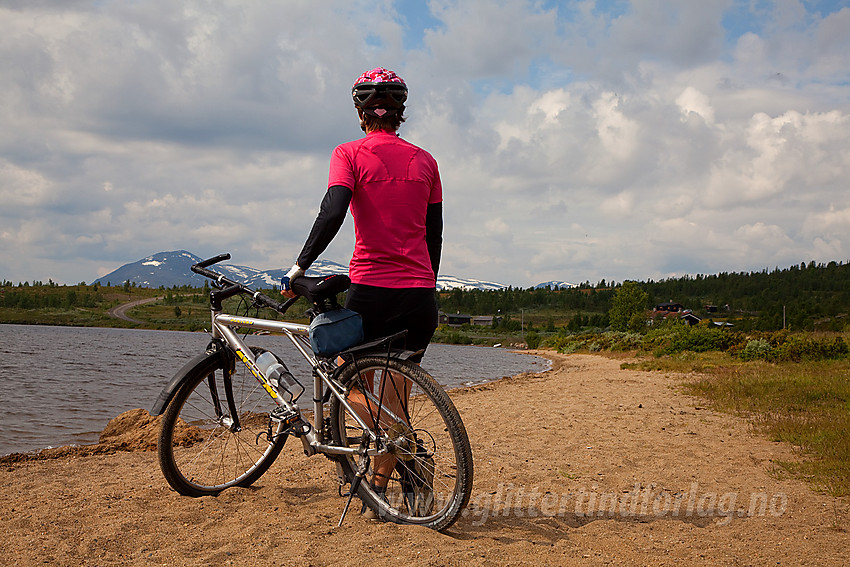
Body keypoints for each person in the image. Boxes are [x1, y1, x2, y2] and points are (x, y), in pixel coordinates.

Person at [280, 67, 443, 517]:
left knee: (343, 383)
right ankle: (387, 485)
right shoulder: (425, 161)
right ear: (399, 113)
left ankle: (395, 461)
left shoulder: (349, 153)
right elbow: (435, 237)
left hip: (370, 290)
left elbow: (333, 209)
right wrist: (425, 283)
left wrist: (300, 266)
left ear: (360, 112)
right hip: (418, 295)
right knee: (394, 393)